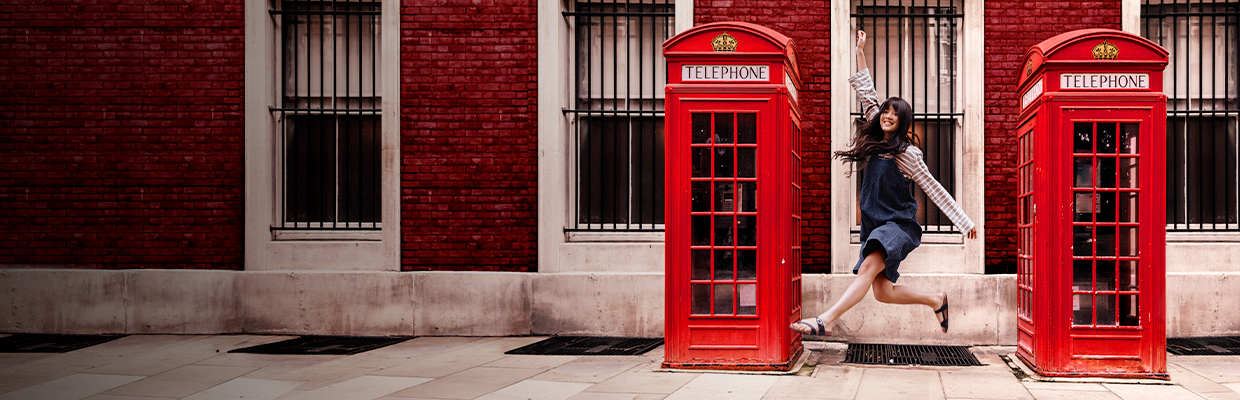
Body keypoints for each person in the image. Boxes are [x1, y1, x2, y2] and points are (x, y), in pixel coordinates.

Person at [789, 30, 978, 336]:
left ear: (903, 122)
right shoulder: (876, 138)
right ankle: (936, 300)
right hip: (874, 224)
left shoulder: (908, 154)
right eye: (886, 111)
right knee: (882, 292)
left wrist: (963, 221)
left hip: (897, 225)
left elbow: (933, 187)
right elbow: (867, 91)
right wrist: (860, 50)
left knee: (866, 269)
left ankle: (827, 319)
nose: (888, 115)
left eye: (895, 113)